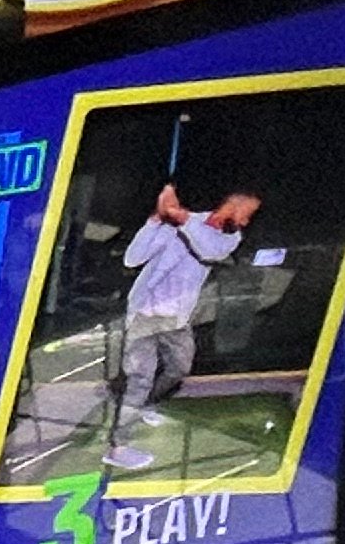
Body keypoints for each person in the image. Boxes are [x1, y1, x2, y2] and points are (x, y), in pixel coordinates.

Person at [108, 181, 260, 472]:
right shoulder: (176, 225)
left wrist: (181, 217)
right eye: (246, 214)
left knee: (179, 368)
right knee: (140, 379)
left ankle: (147, 404)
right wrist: (154, 222)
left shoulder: (228, 238)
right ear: (232, 205)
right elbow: (132, 258)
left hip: (177, 319)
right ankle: (119, 447)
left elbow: (208, 251)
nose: (245, 222)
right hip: (145, 314)